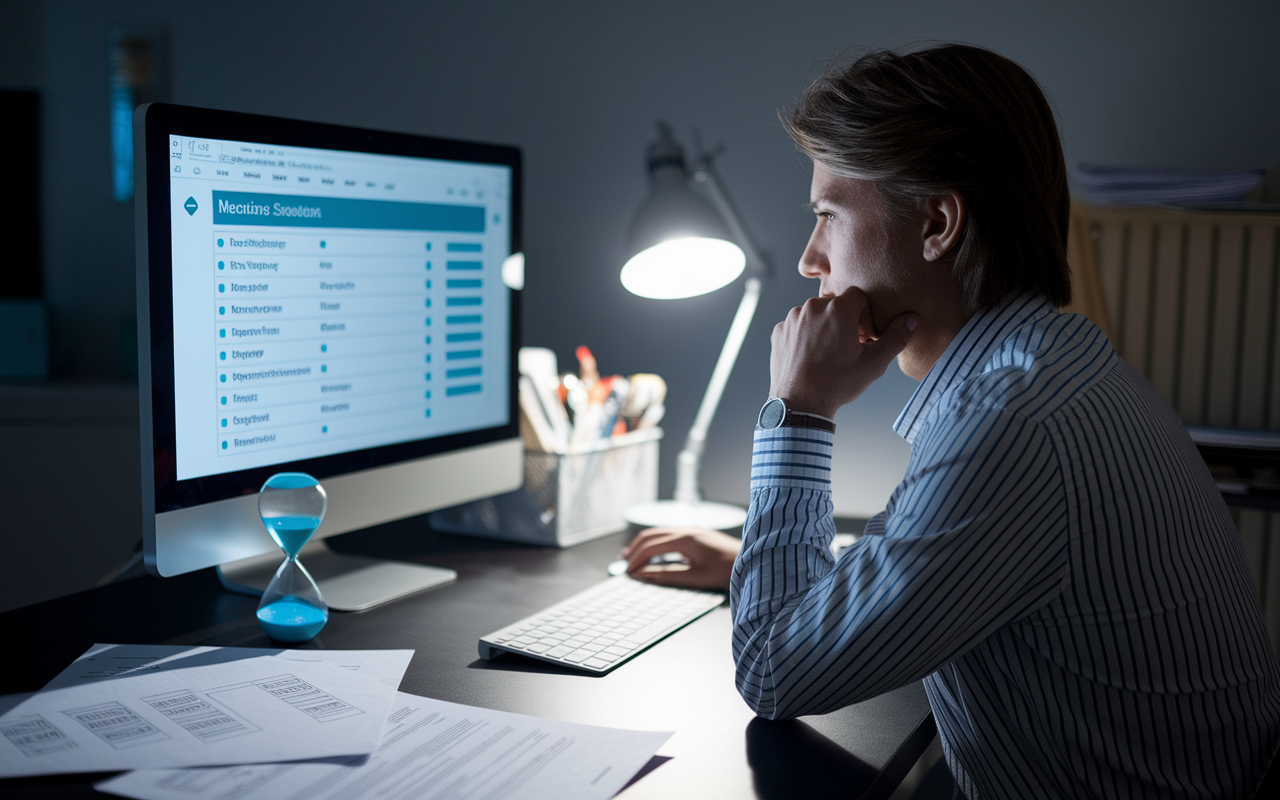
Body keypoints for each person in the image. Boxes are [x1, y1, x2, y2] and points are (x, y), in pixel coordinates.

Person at [622, 44, 1280, 799]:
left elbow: (773, 669)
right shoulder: (1054, 364)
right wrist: (762, 563)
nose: (810, 259)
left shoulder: (1007, 427)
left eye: (829, 215)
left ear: (937, 222)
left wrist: (799, 413)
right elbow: (949, 550)